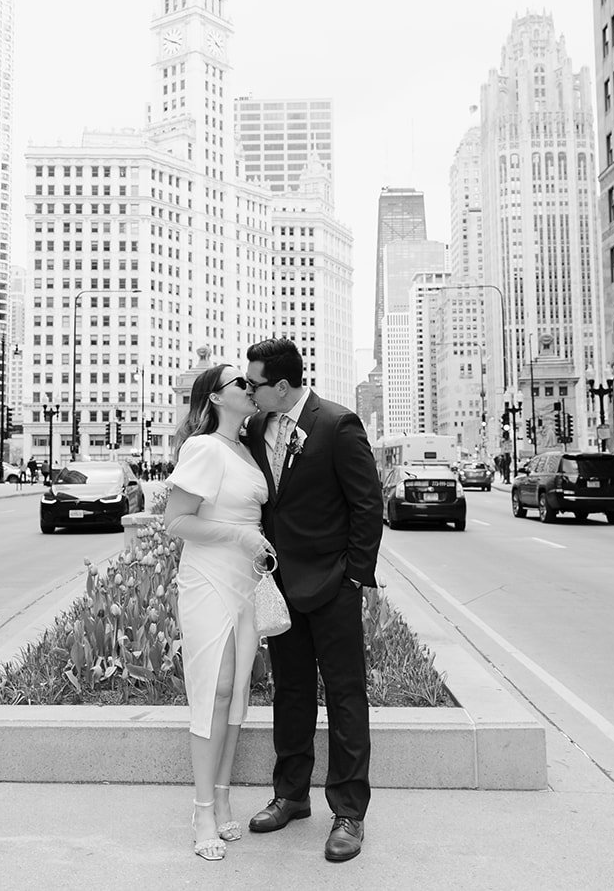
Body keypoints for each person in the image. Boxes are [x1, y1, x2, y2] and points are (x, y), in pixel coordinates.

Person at [242, 337, 382, 864]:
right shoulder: (257, 426)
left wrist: (352, 579)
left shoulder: (337, 425)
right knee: (291, 692)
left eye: (255, 384)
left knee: (346, 697)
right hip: (281, 587)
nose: (249, 391)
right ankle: (291, 795)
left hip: (332, 587)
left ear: (282, 386)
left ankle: (348, 812)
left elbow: (367, 508)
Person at [161, 364, 271, 862]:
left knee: (238, 691)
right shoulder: (203, 448)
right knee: (214, 688)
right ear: (216, 399)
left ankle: (223, 795)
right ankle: (202, 807)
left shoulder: (246, 449)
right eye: (241, 385)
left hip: (246, 577)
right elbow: (176, 521)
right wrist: (239, 536)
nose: (251, 390)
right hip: (208, 577)